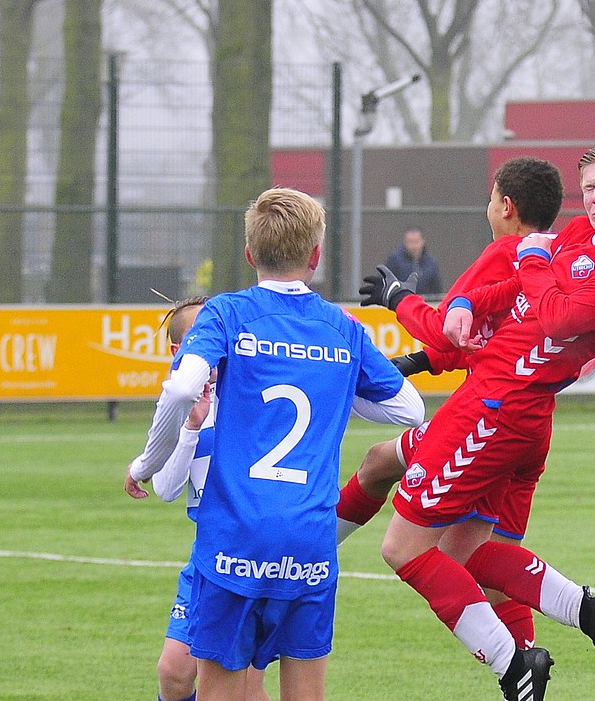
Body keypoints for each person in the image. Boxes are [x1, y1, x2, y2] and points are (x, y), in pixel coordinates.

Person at [377, 131, 595, 701]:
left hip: (496, 409)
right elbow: (514, 291)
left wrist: (532, 256)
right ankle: (588, 612)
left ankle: (516, 662)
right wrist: (464, 302)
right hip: (510, 408)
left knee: (403, 547)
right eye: (589, 188)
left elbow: (557, 318)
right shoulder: (579, 234)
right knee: (463, 554)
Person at [126, 188, 424, 701]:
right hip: (310, 542)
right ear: (315, 255)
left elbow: (180, 388)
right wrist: (331, 387)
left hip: (234, 541)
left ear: (249, 253)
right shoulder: (343, 327)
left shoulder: (226, 313)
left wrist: (145, 463)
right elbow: (410, 410)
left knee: (221, 690)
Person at [337, 156, 566, 654]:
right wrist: (419, 362)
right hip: (529, 427)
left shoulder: (503, 253)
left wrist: (399, 299)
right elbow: (488, 343)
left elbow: (448, 328)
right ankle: (530, 660)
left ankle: (307, 553)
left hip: (484, 419)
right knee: (489, 566)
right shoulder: (551, 262)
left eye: (491, 198)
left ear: (506, 206)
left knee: (424, 547)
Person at [123, 296, 273, 701]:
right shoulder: (181, 405)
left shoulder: (252, 391)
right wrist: (191, 427)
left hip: (256, 553)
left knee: (241, 684)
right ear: (179, 351)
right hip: (208, 556)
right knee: (173, 673)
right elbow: (167, 489)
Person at [384, 227, 445, 295]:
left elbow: (437, 288)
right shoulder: (394, 260)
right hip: (402, 299)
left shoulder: (431, 263)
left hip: (425, 300)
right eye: (410, 242)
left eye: (416, 242)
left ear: (423, 241)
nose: (413, 246)